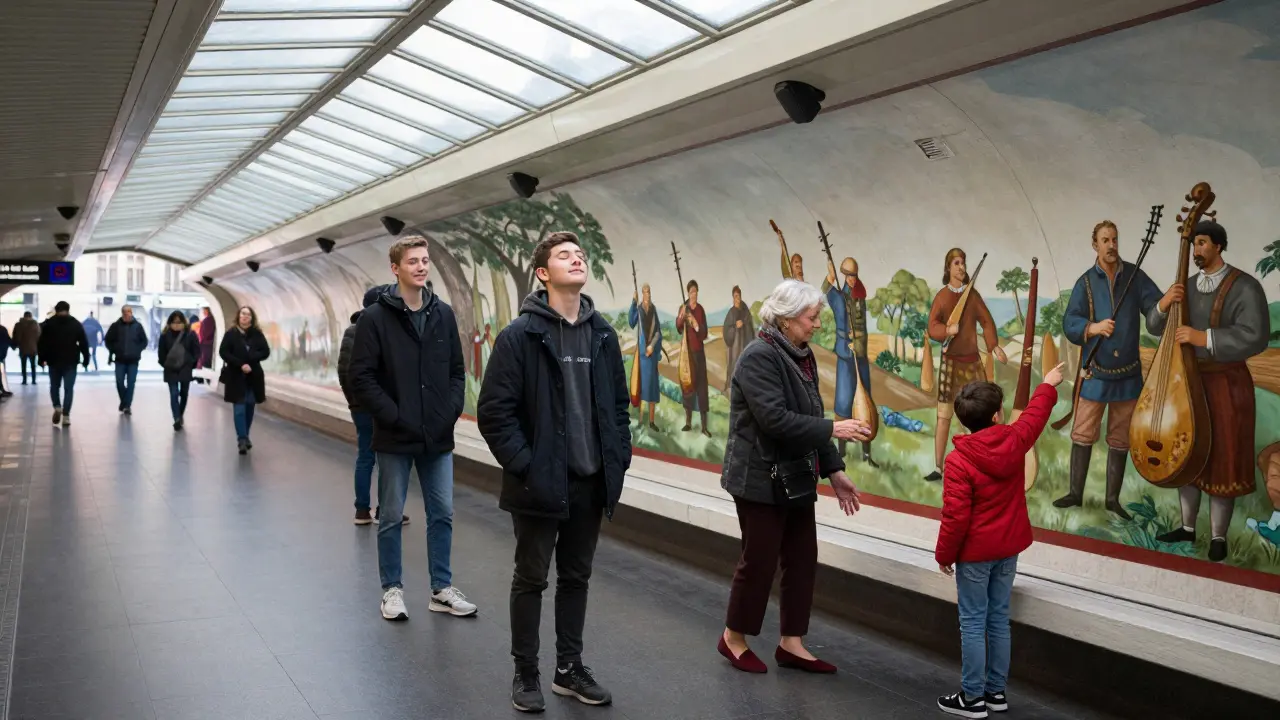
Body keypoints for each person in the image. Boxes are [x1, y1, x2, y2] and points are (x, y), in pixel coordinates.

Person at [478, 232, 633, 713]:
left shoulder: (603, 334)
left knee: (576, 578)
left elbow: (619, 407)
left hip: (591, 481)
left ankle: (569, 669)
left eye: (580, 254)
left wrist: (618, 457)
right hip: (539, 484)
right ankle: (526, 672)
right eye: (565, 255)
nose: (577, 259)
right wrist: (528, 466)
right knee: (531, 578)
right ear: (543, 273)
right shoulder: (519, 336)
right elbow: (494, 413)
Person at [717, 279, 871, 675]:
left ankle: (791, 643)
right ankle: (733, 638)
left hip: (795, 475)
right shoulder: (758, 357)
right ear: (786, 319)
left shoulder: (801, 355)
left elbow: (809, 414)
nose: (817, 324)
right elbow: (775, 420)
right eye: (811, 317)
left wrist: (834, 470)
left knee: (802, 559)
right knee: (760, 561)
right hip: (757, 476)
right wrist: (834, 428)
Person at [349, 234, 474, 622]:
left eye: (424, 260)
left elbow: (457, 371)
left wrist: (449, 411)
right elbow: (362, 377)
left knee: (443, 513)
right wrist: (394, 415)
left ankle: (441, 589)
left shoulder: (443, 314)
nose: (421, 267)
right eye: (413, 261)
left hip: (437, 434)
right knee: (390, 515)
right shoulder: (375, 318)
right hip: (395, 435)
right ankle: (392, 590)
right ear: (395, 268)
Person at [934, 362, 1064, 718]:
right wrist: (1048, 384)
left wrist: (944, 555)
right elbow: (1035, 416)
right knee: (998, 619)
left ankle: (972, 699)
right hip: (1008, 550)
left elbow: (955, 517)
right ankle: (995, 693)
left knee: (973, 623)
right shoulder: (1015, 440)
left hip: (975, 556)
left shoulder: (958, 461)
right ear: (997, 415)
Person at [1147, 221, 1270, 563]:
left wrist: (1203, 338)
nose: (1196, 250)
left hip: (1226, 385)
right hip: (1188, 383)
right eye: (1194, 243)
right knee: (1187, 451)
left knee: (1222, 457)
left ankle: (1218, 536)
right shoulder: (1186, 286)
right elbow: (1155, 326)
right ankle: (1187, 528)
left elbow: (1256, 336)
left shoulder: (1245, 286)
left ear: (1218, 246)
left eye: (1202, 243)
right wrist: (1164, 303)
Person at [1059, 220, 1165, 520]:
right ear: (1095, 245)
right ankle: (1075, 493)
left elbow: (1155, 314)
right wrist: (1093, 328)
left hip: (1127, 374)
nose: (1111, 245)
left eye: (1115, 239)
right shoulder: (1085, 282)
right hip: (1095, 371)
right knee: (1083, 432)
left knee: (1120, 438)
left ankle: (1112, 500)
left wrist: (1164, 304)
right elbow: (1070, 322)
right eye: (1105, 240)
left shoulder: (1134, 276)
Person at [926, 249, 1007, 482]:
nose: (961, 267)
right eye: (957, 263)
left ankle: (984, 464)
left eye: (963, 263)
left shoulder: (972, 296)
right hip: (950, 364)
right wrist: (946, 330)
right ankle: (938, 467)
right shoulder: (942, 297)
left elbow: (987, 321)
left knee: (982, 415)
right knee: (944, 416)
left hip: (972, 363)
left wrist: (993, 346)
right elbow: (932, 327)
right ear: (948, 267)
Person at [336, 288, 409, 527]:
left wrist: (354, 401)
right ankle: (384, 510)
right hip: (378, 405)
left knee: (365, 456)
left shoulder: (352, 331)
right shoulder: (382, 329)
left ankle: (362, 510)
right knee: (386, 456)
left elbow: (344, 371)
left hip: (360, 406)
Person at [823, 256, 877, 466]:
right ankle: (841, 451)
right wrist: (830, 275)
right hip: (846, 358)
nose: (852, 279)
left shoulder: (859, 296)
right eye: (849, 276)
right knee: (844, 404)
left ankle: (867, 454)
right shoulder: (839, 297)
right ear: (844, 276)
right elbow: (826, 290)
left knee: (865, 403)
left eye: (854, 275)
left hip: (860, 357)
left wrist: (859, 343)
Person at [219, 306, 271, 455]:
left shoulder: (257, 334)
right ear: (238, 316)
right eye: (243, 314)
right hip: (236, 376)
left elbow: (265, 351)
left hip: (253, 377)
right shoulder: (231, 334)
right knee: (239, 409)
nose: (245, 316)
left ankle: (246, 435)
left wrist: (251, 359)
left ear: (252, 318)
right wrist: (240, 364)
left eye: (248, 314)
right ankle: (242, 439)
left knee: (249, 407)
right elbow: (223, 352)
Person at [36, 301, 89, 427]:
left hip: (53, 360)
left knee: (54, 386)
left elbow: (42, 343)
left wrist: (41, 359)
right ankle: (66, 416)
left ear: (56, 310)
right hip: (70, 361)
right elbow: (83, 342)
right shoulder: (75, 324)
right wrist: (86, 358)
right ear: (68, 310)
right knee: (68, 389)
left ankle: (57, 406)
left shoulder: (49, 324)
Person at [676, 279, 711, 437]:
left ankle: (704, 426)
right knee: (688, 388)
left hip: (699, 354)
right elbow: (678, 327)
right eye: (691, 292)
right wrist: (682, 316)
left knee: (702, 389)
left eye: (695, 291)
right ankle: (688, 422)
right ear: (688, 293)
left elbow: (704, 333)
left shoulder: (700, 310)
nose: (693, 294)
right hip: (687, 355)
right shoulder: (684, 308)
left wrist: (696, 324)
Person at [628, 282, 663, 431]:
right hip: (642, 355)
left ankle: (652, 422)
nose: (647, 294)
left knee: (652, 388)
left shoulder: (653, 310)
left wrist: (652, 346)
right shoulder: (639, 309)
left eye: (649, 292)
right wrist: (633, 301)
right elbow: (631, 322)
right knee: (642, 388)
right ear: (642, 294)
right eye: (645, 292)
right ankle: (641, 420)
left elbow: (658, 332)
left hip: (651, 354)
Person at [158, 311, 200, 431]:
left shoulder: (190, 334)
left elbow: (196, 351)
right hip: (171, 368)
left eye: (179, 322)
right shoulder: (165, 335)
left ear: (183, 322)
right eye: (174, 322)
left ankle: (180, 414)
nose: (176, 324)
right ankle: (176, 417)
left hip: (185, 368)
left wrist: (191, 363)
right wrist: (166, 364)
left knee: (184, 393)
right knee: (174, 393)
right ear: (170, 322)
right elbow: (161, 352)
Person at [104, 306, 148, 415]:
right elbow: (108, 340)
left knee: (131, 383)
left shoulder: (138, 326)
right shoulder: (115, 326)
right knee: (119, 382)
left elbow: (144, 341)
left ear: (131, 313)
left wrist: (137, 350)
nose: (127, 314)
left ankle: (126, 406)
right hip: (120, 359)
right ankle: (125, 402)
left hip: (133, 360)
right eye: (125, 312)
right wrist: (114, 349)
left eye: (129, 311)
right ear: (122, 313)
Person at [722, 285, 755, 394]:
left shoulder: (746, 311)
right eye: (735, 296)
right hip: (735, 346)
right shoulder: (731, 312)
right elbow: (726, 329)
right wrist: (735, 327)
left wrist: (744, 324)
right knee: (735, 365)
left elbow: (750, 326)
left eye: (738, 296)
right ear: (733, 297)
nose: (737, 298)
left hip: (745, 343)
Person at [13, 312, 40, 385]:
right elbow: (39, 336)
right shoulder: (35, 324)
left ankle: (24, 380)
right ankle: (34, 380)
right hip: (33, 348)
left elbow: (16, 336)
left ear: (24, 316)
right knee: (33, 365)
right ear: (31, 316)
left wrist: (15, 345)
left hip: (22, 348)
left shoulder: (18, 325)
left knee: (23, 365)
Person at [198, 306, 217, 374]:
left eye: (204, 311)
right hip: (211, 343)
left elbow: (203, 334)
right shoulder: (213, 320)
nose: (204, 313)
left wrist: (201, 341)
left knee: (206, 361)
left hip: (206, 343)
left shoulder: (206, 321)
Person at [0, 323, 11, 397]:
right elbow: (8, 340)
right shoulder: (2, 329)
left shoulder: (2, 329)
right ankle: (2, 389)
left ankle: (2, 389)